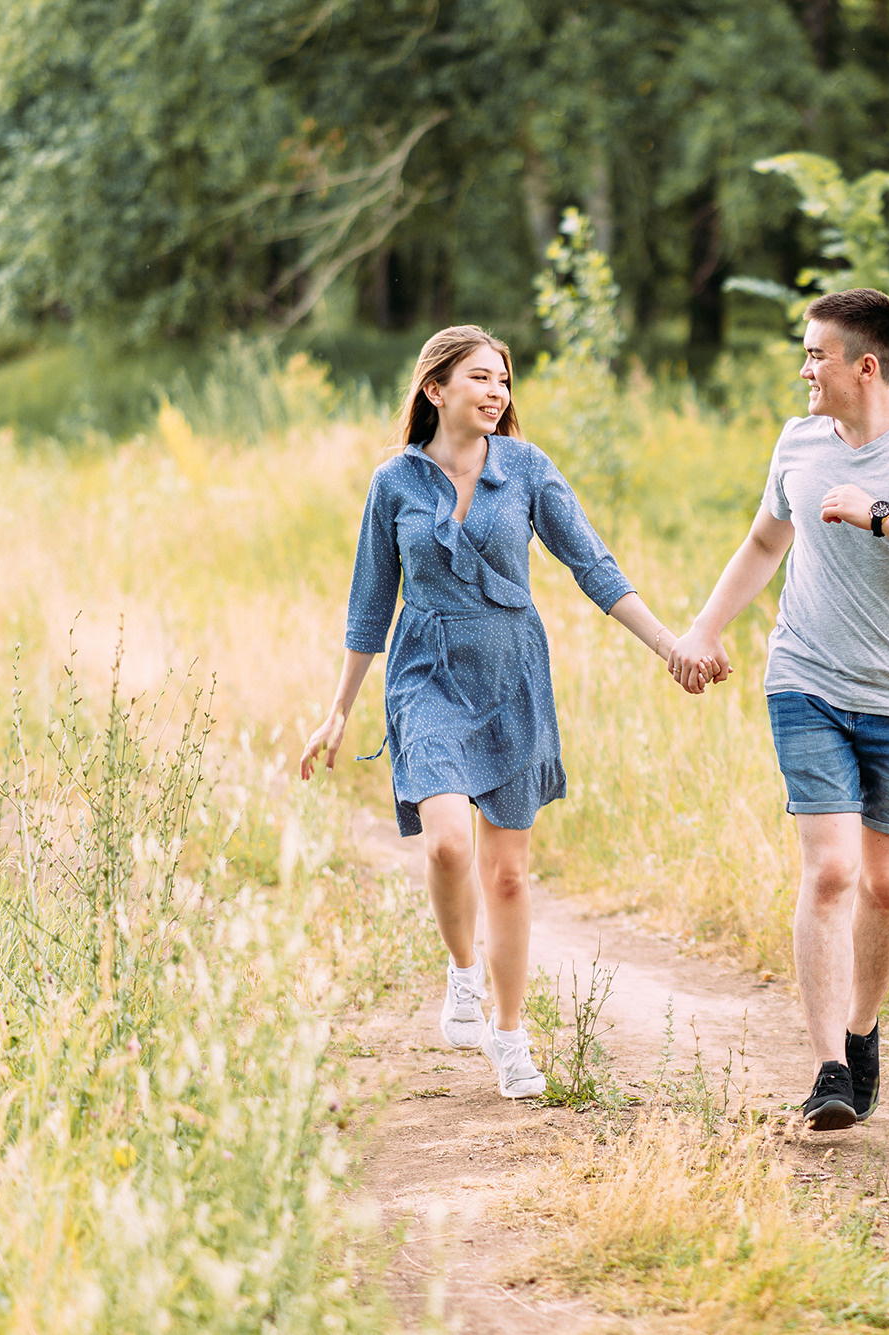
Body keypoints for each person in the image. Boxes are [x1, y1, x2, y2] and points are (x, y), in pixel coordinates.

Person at [299, 324, 714, 1100]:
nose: (497, 393)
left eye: (504, 381)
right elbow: (369, 602)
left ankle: (510, 1032)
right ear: (436, 390)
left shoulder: (525, 469)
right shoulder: (394, 482)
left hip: (512, 672)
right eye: (481, 379)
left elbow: (592, 564)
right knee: (449, 843)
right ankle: (463, 972)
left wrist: (668, 645)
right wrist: (338, 710)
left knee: (511, 875)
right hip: (425, 672)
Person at [669, 288, 889, 1130]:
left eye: (816, 353)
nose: (803, 367)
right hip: (806, 678)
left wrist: (882, 515)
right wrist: (703, 629)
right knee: (829, 871)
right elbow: (763, 542)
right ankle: (826, 1069)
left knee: (885, 885)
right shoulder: (798, 443)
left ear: (865, 365)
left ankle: (861, 1033)